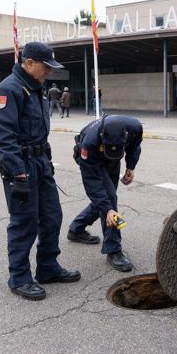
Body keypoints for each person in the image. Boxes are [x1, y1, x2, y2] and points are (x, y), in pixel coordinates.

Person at [0, 41, 81, 301]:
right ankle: (19, 277)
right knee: (24, 222)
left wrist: (46, 160)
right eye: (46, 66)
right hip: (22, 166)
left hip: (41, 162)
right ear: (28, 63)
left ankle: (48, 267)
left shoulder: (37, 89)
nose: (49, 72)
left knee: (52, 216)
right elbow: (3, 139)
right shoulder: (8, 90)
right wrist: (18, 174)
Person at [67, 115, 143, 272]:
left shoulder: (135, 128)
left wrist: (130, 166)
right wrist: (108, 209)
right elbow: (92, 184)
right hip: (93, 160)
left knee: (106, 199)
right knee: (108, 200)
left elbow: (135, 146)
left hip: (113, 159)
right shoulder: (90, 143)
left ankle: (76, 229)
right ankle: (113, 250)